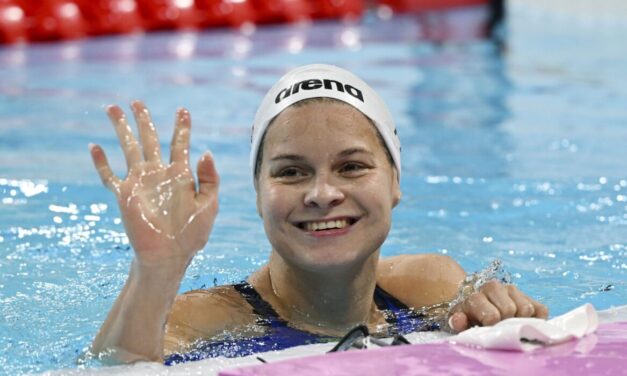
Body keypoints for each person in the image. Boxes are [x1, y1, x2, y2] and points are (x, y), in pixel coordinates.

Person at [88, 64, 548, 364]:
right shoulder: (209, 321)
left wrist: (503, 313)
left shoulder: (429, 286)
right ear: (258, 194)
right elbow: (112, 371)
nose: (323, 193)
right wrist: (157, 271)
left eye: (351, 167)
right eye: (291, 172)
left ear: (395, 184)